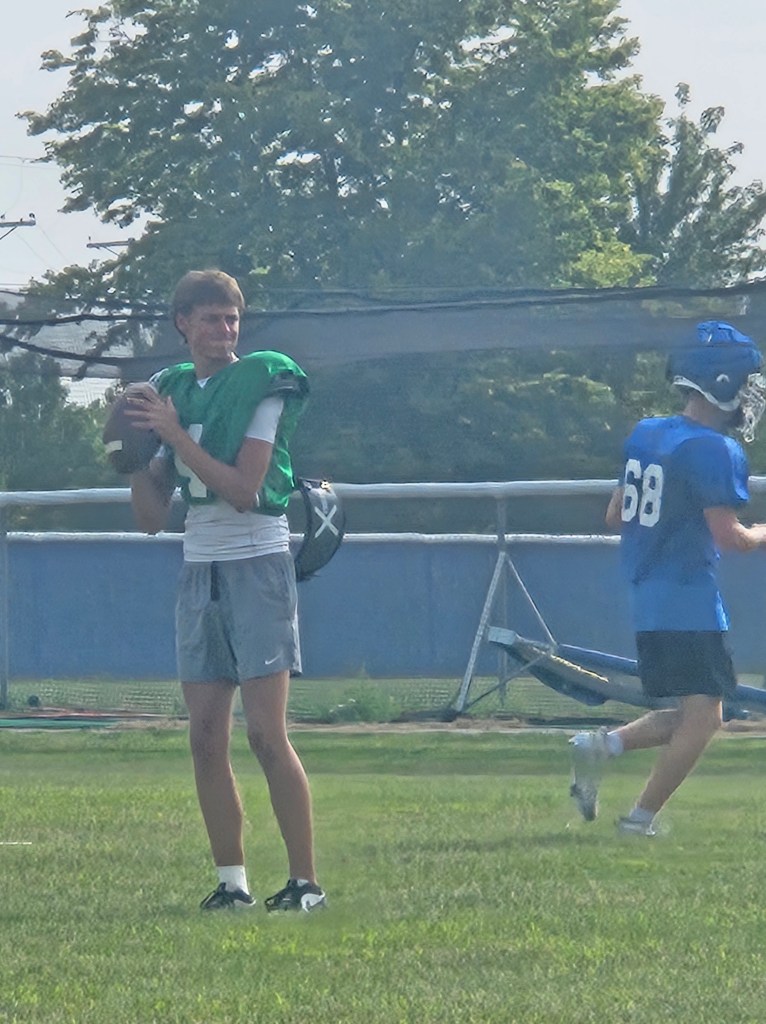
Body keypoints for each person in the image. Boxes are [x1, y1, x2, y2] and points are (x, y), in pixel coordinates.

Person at [127, 268, 326, 911]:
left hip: (256, 565)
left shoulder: (261, 381)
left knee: (267, 734)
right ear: (183, 323)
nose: (225, 330)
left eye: (232, 318)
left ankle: (304, 884)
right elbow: (152, 518)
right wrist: (135, 453)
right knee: (205, 734)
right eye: (211, 318)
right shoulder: (175, 389)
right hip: (199, 567)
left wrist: (174, 433)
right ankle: (231, 884)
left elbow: (243, 491)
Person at [570, 321, 766, 836]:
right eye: (747, 382)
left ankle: (600, 747)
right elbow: (733, 538)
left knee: (693, 709)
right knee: (706, 717)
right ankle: (640, 818)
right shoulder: (714, 449)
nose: (751, 393)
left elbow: (615, 515)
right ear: (722, 383)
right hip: (688, 596)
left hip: (647, 594)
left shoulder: (647, 432)